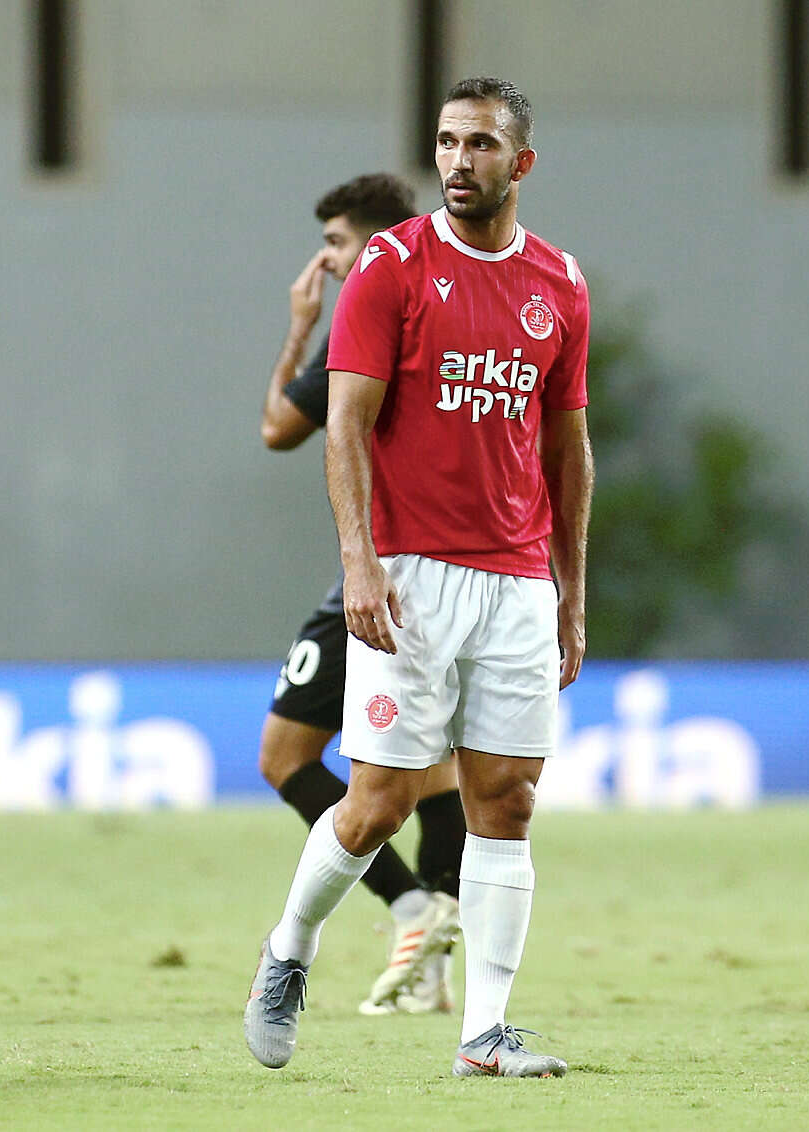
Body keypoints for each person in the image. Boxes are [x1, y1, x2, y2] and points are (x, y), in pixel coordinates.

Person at [245, 77, 593, 1078]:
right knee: (380, 802)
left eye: (479, 144)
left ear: (520, 162)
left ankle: (483, 1034)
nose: (457, 161)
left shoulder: (560, 283)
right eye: (445, 142)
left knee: (507, 801)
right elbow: (342, 426)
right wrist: (360, 562)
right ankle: (289, 948)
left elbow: (566, 446)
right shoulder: (391, 267)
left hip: (517, 578)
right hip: (411, 574)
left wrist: (571, 591)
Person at [257, 173, 465, 1015]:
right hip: (467, 566)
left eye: (337, 243)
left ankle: (411, 909)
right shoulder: (455, 301)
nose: (329, 261)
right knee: (437, 764)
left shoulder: (370, 308)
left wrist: (299, 327)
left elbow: (279, 427)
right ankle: (433, 961)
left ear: (375, 240)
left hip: (382, 568)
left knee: (286, 757)